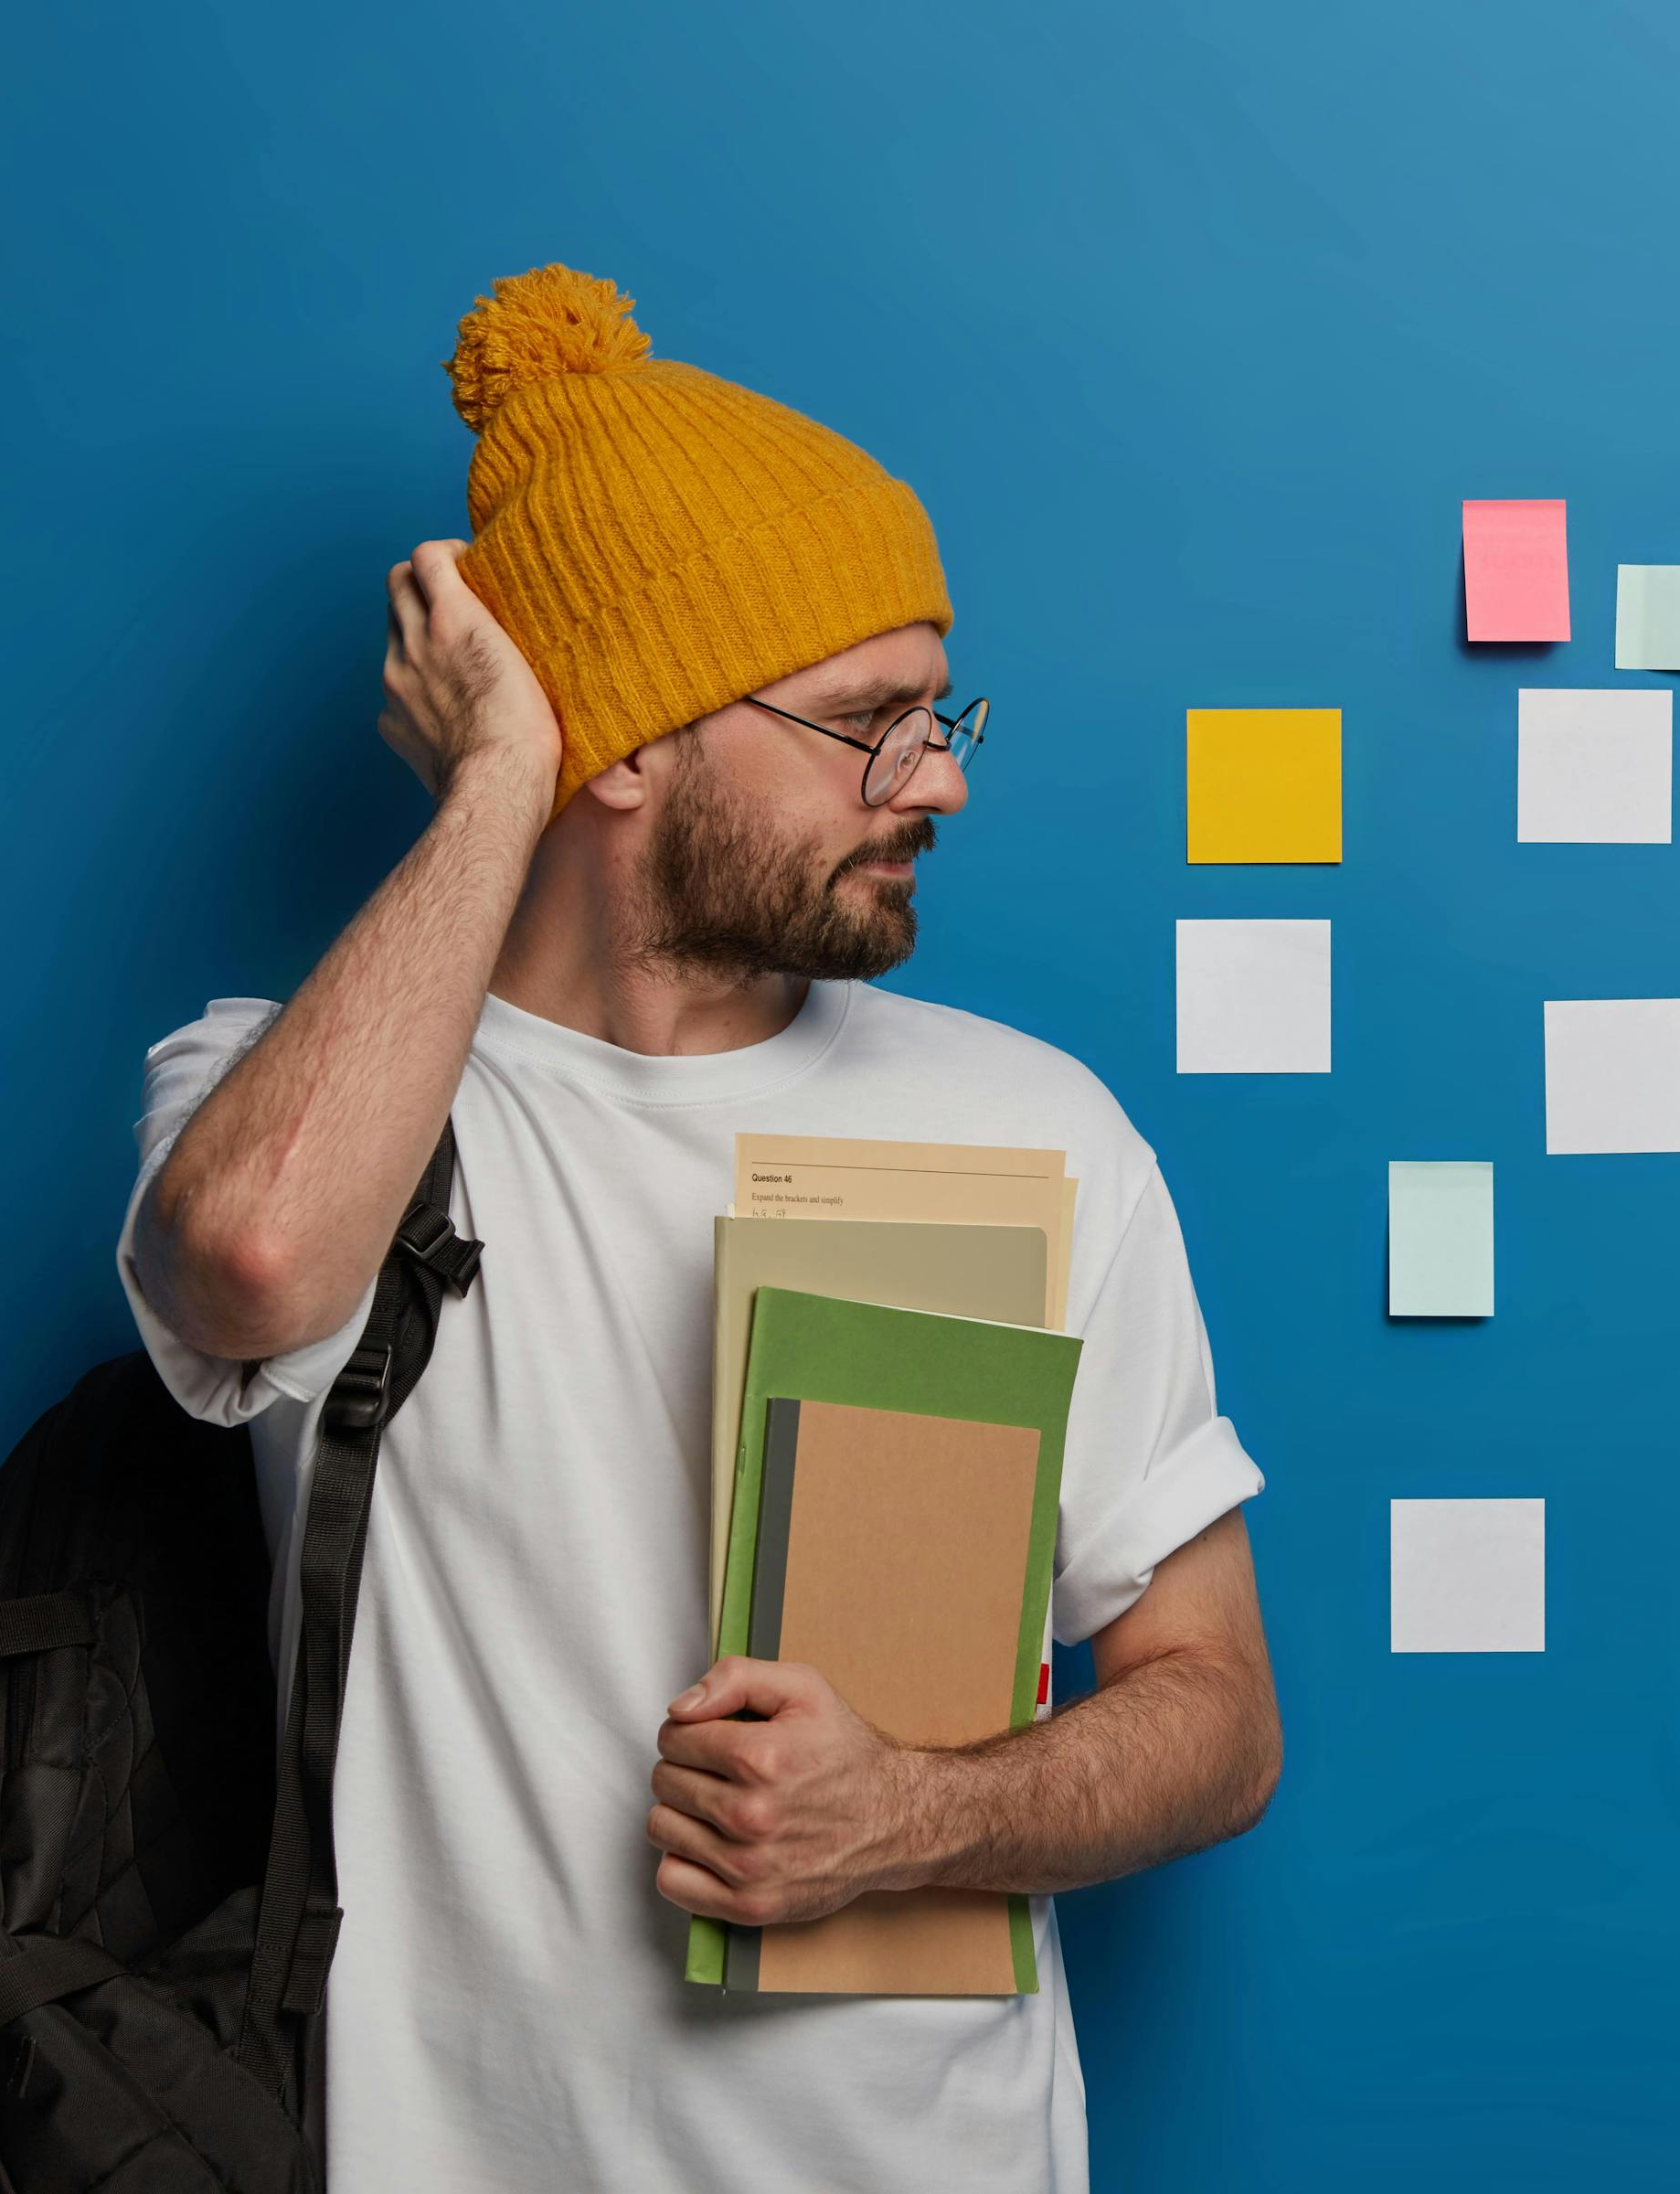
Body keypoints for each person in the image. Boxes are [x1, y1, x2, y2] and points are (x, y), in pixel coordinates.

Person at [116, 264, 1280, 2191]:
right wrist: (507, 769)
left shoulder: (1037, 1126)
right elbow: (244, 1266)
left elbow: (1217, 1716)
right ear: (631, 748)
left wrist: (909, 1813)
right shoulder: (285, 1088)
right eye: (868, 724)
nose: (946, 778)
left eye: (943, 708)